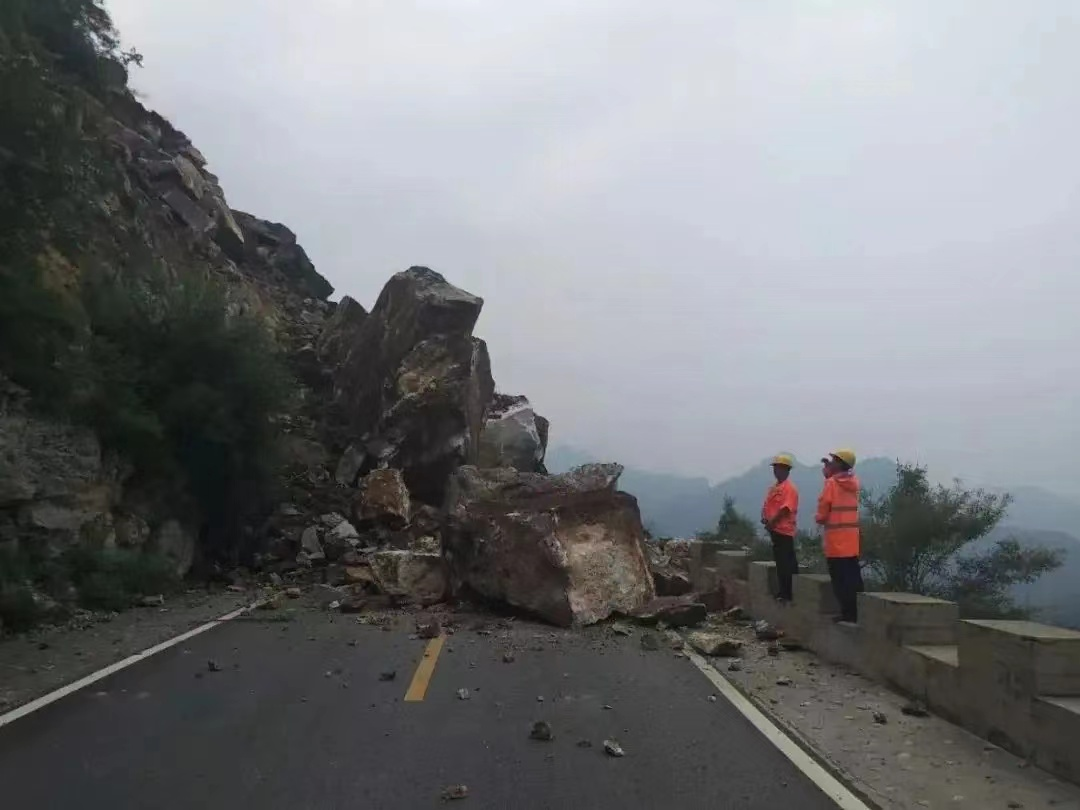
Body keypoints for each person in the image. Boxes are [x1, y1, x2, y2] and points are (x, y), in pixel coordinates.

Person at [815, 449, 864, 623]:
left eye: (834, 460)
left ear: (840, 464)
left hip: (836, 542)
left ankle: (847, 614)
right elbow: (842, 481)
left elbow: (822, 513)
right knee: (853, 578)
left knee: (840, 580)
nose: (831, 462)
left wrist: (828, 477)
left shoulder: (831, 484)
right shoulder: (855, 482)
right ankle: (858, 613)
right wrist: (830, 474)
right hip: (852, 540)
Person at [760, 454, 799, 603]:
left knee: (786, 563)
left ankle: (787, 593)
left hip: (784, 530)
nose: (775, 471)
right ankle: (783, 591)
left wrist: (772, 522)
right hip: (775, 530)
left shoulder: (789, 488)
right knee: (780, 562)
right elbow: (768, 505)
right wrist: (765, 517)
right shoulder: (775, 488)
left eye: (778, 468)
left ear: (786, 470)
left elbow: (785, 509)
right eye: (775, 468)